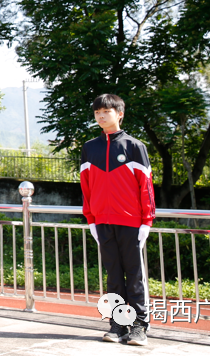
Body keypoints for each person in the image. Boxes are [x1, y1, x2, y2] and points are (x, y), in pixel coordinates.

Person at [80, 93, 155, 347]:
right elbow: (86, 187)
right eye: (97, 112)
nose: (101, 116)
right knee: (113, 275)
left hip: (132, 221)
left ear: (119, 114)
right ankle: (117, 324)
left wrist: (146, 221)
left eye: (107, 111)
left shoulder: (135, 147)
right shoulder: (90, 148)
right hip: (102, 221)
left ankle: (139, 327)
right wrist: (91, 219)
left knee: (134, 275)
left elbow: (146, 187)